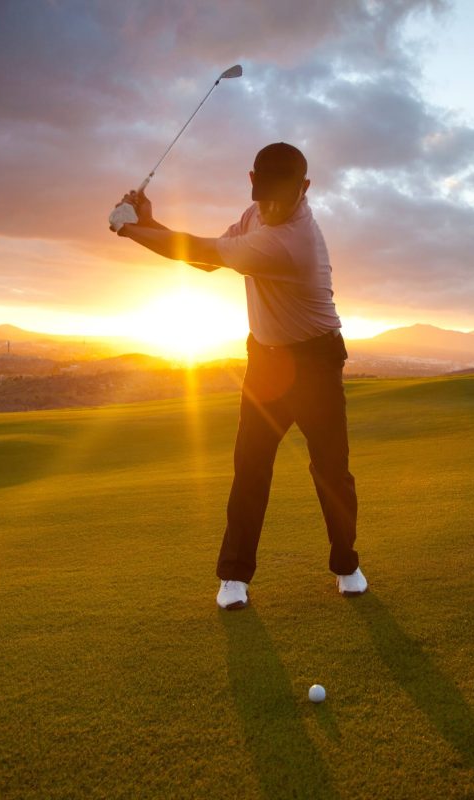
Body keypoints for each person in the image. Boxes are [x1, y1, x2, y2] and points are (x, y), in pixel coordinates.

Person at [112, 142, 366, 610]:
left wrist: (131, 229)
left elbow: (206, 250)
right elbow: (209, 258)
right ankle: (234, 577)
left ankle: (347, 564)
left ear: (305, 189)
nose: (270, 208)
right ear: (252, 182)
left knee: (331, 469)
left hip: (316, 362)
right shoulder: (255, 217)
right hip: (266, 362)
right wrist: (148, 223)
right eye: (263, 195)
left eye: (281, 199)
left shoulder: (291, 242)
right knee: (250, 469)